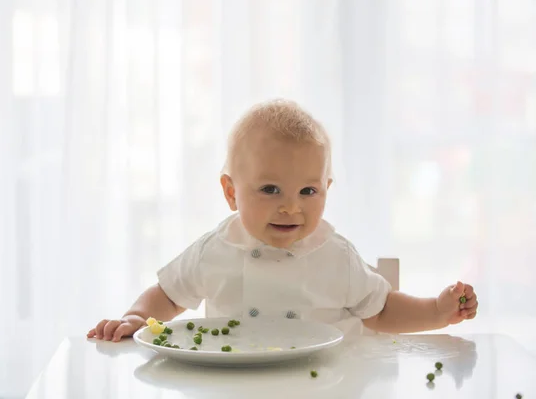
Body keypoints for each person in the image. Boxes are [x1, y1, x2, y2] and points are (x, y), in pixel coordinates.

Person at [87, 99, 478, 342]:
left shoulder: (335, 255)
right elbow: (169, 295)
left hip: (326, 383)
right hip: (235, 383)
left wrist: (435, 311)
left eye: (308, 192)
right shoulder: (215, 250)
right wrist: (136, 317)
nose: (291, 208)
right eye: (270, 190)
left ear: (327, 188)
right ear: (231, 192)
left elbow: (380, 311)